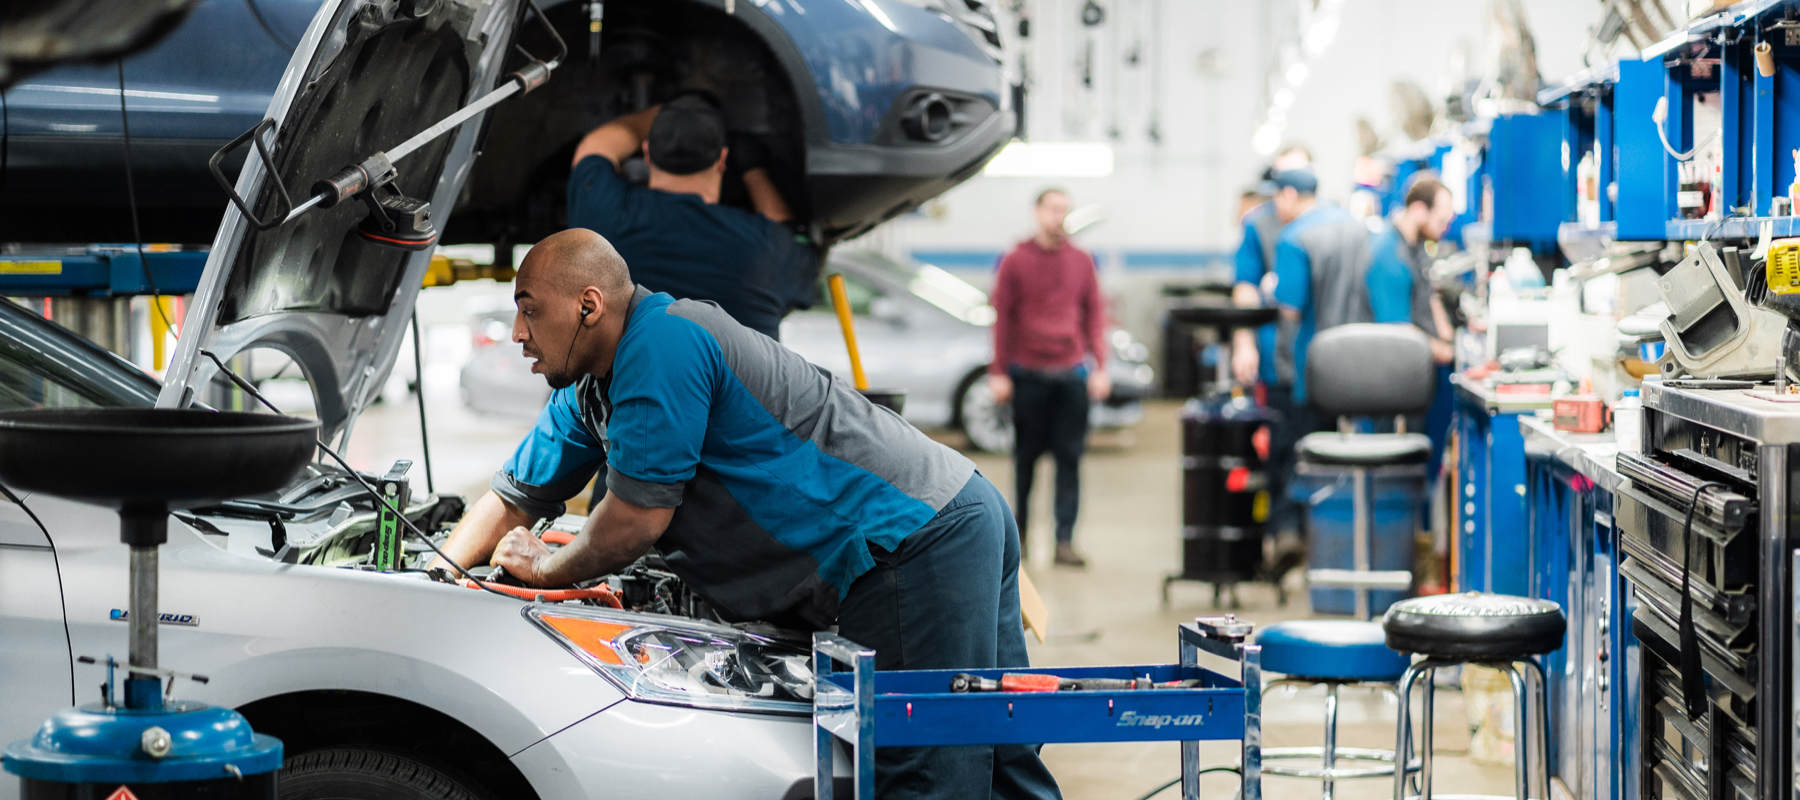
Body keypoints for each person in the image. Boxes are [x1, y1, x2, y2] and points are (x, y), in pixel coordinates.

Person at [431, 229, 1061, 800]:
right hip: (954, 513)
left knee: (928, 773)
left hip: (914, 540)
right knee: (1001, 756)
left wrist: (546, 570)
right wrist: (436, 576)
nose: (517, 332)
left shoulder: (663, 341)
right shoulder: (592, 386)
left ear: (589, 306)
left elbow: (632, 523)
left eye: (529, 309)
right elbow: (514, 495)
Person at [564, 95, 817, 340]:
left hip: (627, 384)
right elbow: (790, 233)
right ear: (722, 160)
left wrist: (663, 111)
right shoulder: (766, 247)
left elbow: (595, 148)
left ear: (647, 154)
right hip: (732, 386)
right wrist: (753, 169)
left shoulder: (602, 219)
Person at [987, 188, 1110, 568]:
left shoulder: (1081, 261)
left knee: (1070, 461)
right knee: (1025, 461)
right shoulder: (1015, 260)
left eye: (1065, 210)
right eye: (1053, 209)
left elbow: (1093, 315)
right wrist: (998, 372)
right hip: (1028, 377)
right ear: (1036, 211)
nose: (1059, 216)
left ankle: (1064, 542)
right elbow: (1002, 318)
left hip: (1070, 375)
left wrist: (1100, 366)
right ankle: (1018, 540)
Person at [1229, 145, 1313, 388]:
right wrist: (1244, 345)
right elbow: (1246, 287)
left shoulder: (1330, 224)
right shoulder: (1257, 225)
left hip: (1323, 349)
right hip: (1275, 350)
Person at [1367, 176, 1456, 363]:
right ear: (1418, 210)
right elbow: (1398, 331)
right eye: (1440, 222)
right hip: (1393, 373)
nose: (1444, 230)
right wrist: (1446, 352)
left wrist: (1446, 334)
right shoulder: (1390, 256)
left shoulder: (1415, 247)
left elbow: (1429, 295)